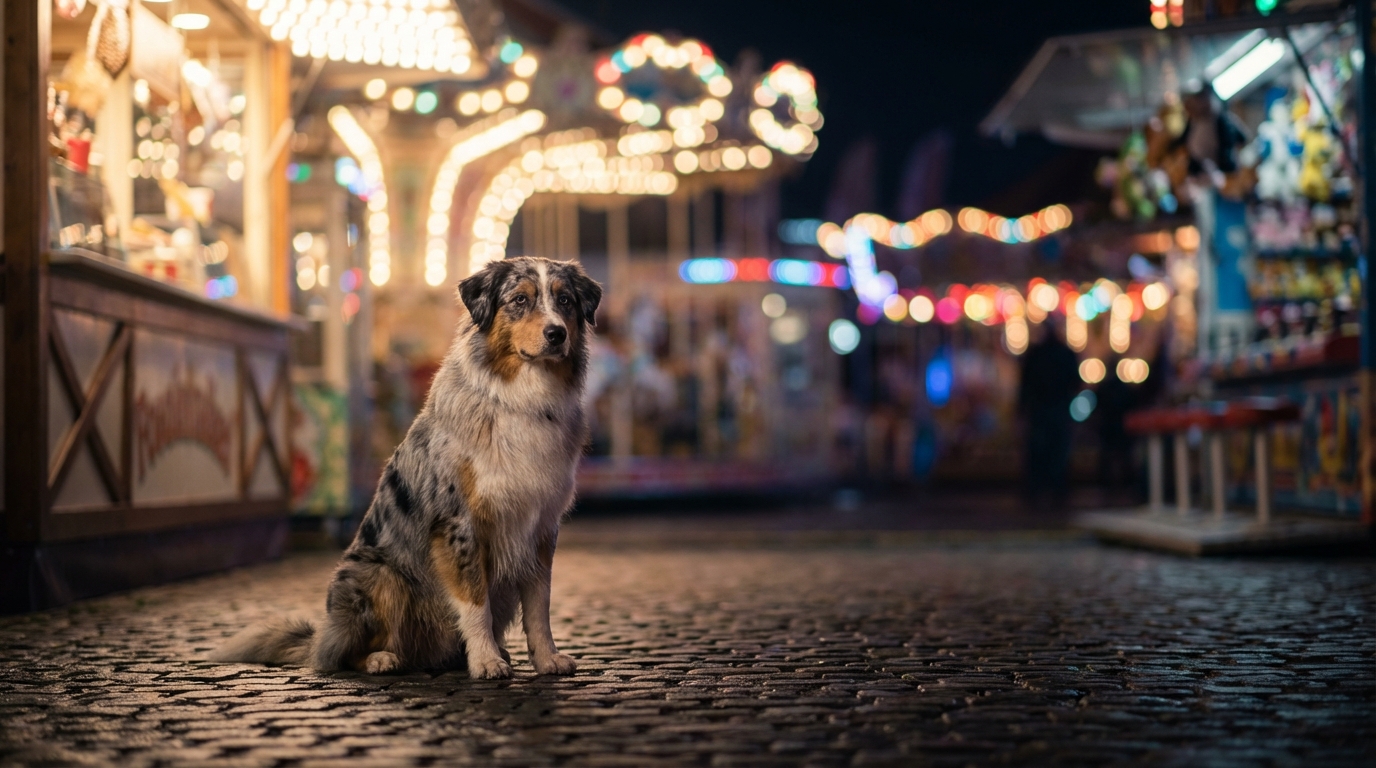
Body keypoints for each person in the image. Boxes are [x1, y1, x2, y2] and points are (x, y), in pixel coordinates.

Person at [1018, 318, 1081, 510]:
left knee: (1040, 452)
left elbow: (1025, 386)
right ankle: (1056, 491)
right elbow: (1076, 383)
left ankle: (1038, 492)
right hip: (1057, 410)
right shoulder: (1065, 354)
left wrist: (1021, 410)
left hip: (1041, 411)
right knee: (1057, 453)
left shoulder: (1036, 354)